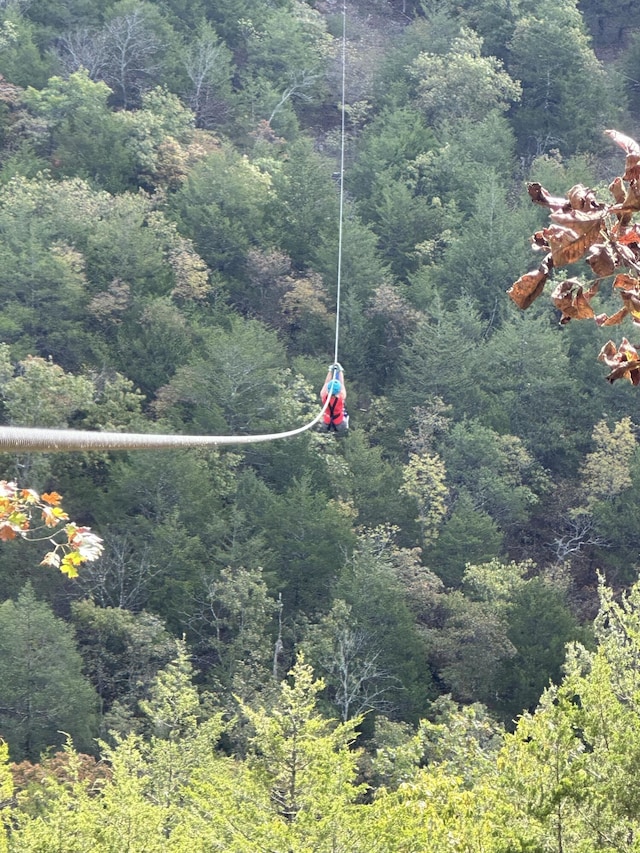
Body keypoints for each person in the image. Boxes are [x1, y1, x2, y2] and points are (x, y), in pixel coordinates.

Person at [320, 362, 349, 433]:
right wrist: (340, 371)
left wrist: (330, 371)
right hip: (339, 423)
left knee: (324, 419)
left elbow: (326, 383)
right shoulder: (341, 397)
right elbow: (342, 383)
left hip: (326, 423)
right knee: (346, 416)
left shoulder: (323, 396)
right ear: (338, 391)